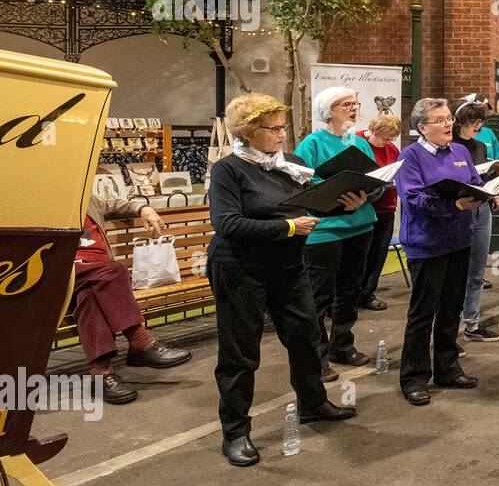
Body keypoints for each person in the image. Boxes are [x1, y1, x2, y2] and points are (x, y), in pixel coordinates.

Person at [209, 94, 356, 466]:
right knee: (240, 352)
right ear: (247, 132)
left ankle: (312, 402)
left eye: (281, 126)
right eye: (272, 128)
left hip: (288, 266)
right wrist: (288, 227)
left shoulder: (290, 164)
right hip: (240, 268)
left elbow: (311, 203)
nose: (281, 134)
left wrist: (344, 203)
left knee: (306, 336)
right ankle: (236, 432)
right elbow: (227, 224)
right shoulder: (229, 169)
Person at [396, 97, 481, 405]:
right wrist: (452, 204)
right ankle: (414, 377)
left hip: (459, 239)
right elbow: (414, 198)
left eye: (449, 119)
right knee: (423, 313)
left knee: (450, 308)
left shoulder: (459, 151)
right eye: (440, 120)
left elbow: (474, 181)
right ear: (422, 127)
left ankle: (447, 366)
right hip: (427, 243)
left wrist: (486, 193)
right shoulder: (410, 156)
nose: (448, 124)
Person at [68, 195, 191, 405]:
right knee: (114, 270)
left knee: (89, 297)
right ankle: (140, 340)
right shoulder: (40, 203)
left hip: (96, 281)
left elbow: (118, 203)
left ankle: (101, 374)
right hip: (67, 275)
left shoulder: (85, 197)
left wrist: (144, 209)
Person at [294, 88, 377, 380]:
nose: (353, 109)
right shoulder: (312, 142)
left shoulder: (360, 143)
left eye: (355, 104)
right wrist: (339, 193)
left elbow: (375, 177)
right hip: (325, 229)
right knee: (319, 295)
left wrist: (367, 194)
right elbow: (302, 180)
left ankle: (343, 344)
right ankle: (317, 356)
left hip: (360, 224)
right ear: (328, 109)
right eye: (346, 105)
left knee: (350, 290)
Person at [453, 98, 499, 343]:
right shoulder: (450, 146)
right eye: (474, 121)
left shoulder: (480, 146)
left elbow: (481, 176)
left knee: (477, 269)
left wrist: (494, 190)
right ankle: (451, 327)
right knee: (456, 271)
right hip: (459, 209)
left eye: (481, 122)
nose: (478, 126)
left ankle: (471, 323)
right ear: (459, 120)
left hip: (482, 208)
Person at [357, 113, 402, 311]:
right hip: (364, 206)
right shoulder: (358, 142)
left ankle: (367, 294)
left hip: (386, 206)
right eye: (386, 137)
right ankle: (349, 296)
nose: (388, 142)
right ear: (373, 130)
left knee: (378, 253)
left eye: (392, 138)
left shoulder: (392, 148)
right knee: (360, 253)